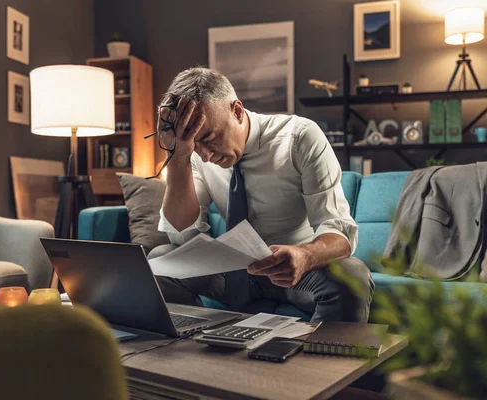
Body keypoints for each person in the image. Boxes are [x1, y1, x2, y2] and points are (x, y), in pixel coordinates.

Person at [149, 67, 374, 323]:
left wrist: (305, 256)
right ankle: (196, 352)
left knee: (352, 275)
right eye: (194, 145)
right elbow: (180, 233)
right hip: (233, 270)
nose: (206, 155)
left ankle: (321, 362)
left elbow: (339, 231)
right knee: (159, 260)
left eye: (211, 138)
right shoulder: (195, 154)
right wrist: (178, 158)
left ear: (236, 110)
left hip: (298, 270)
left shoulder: (299, 138)